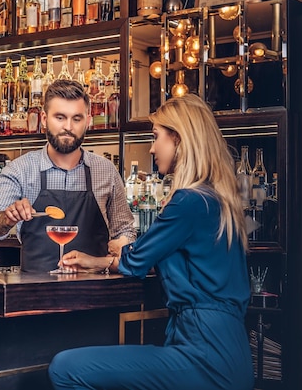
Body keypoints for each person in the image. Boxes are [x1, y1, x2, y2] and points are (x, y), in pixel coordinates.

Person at [48, 94, 254, 390]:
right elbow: (148, 256)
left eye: (157, 137)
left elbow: (135, 259)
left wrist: (119, 254)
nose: (152, 147)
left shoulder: (187, 201)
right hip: (229, 351)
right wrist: (105, 260)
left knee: (66, 369)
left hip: (203, 352)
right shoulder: (217, 199)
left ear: (180, 141)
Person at [0, 79, 136, 273]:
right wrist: (7, 218)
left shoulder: (105, 171)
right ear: (44, 119)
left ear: (87, 121)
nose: (68, 127)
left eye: (76, 119)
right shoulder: (20, 170)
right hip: (33, 293)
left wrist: (122, 241)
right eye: (60, 117)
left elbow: (126, 230)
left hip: (94, 293)